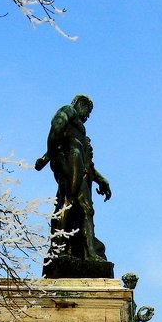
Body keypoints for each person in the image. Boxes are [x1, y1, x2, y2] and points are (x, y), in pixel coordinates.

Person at [35, 94, 111, 262]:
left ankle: (89, 252)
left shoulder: (80, 134)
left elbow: (89, 165)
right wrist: (48, 156)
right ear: (79, 104)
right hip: (70, 160)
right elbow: (55, 132)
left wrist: (102, 180)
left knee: (86, 209)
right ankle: (59, 250)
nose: (87, 116)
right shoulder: (68, 111)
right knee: (68, 202)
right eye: (87, 111)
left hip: (80, 167)